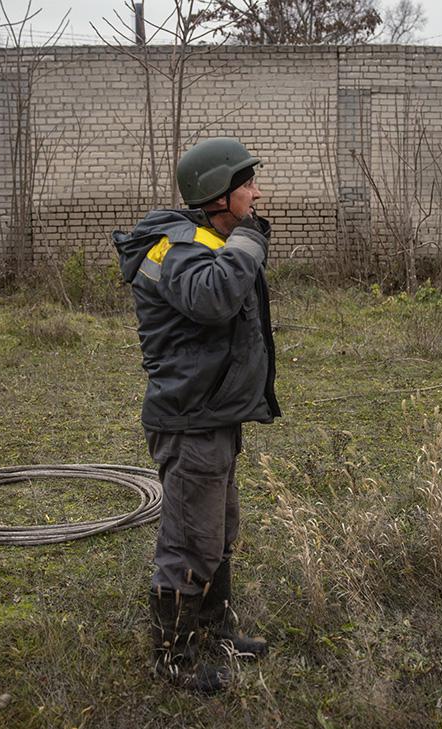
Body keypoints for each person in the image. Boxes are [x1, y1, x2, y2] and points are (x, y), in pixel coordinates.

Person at [113, 137, 280, 693]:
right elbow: (212, 299)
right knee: (190, 541)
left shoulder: (207, 239)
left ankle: (215, 630)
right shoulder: (175, 249)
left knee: (218, 533)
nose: (257, 193)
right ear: (219, 193)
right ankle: (173, 660)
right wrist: (250, 246)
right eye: (248, 184)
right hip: (189, 422)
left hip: (213, 416)